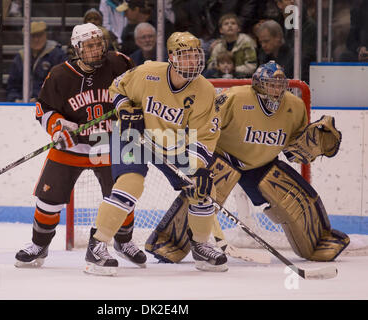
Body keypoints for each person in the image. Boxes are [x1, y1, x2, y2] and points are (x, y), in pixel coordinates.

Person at [145, 61, 350, 264]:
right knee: (202, 193)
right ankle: (168, 241)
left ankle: (318, 241)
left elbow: (292, 150)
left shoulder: (294, 106)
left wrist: (314, 144)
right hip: (223, 157)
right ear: (258, 84)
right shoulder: (234, 97)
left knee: (297, 195)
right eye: (271, 84)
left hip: (262, 163)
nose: (276, 89)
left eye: (280, 85)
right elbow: (205, 125)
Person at [84, 31, 227, 276]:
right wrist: (126, 111)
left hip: (173, 142)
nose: (193, 62)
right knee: (131, 185)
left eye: (196, 56)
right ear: (172, 57)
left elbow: (204, 136)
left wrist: (199, 168)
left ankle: (201, 245)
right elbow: (116, 89)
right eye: (186, 56)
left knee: (203, 190)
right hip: (134, 135)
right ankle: (97, 246)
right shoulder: (146, 73)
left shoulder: (206, 91)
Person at [14, 23, 137, 268]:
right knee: (48, 201)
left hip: (110, 143)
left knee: (122, 196)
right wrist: (58, 127)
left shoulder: (120, 63)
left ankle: (124, 242)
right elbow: (44, 110)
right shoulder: (60, 75)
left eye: (99, 44)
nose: (96, 49)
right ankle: (39, 245)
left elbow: (138, 91)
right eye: (89, 46)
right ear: (77, 49)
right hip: (71, 145)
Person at [6, 21, 68, 102]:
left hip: (49, 104)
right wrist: (16, 99)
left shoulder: (57, 55)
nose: (36, 39)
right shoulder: (20, 57)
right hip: (22, 104)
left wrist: (40, 99)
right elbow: (12, 86)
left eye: (39, 35)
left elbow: (60, 85)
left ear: (45, 35)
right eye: (33, 36)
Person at [206, 13, 257, 78]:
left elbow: (252, 66)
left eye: (233, 23)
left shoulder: (246, 42)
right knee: (209, 73)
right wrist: (221, 67)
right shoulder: (218, 45)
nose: (230, 26)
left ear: (239, 28)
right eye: (226, 24)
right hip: (221, 74)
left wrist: (233, 68)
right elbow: (210, 64)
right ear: (221, 30)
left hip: (241, 75)